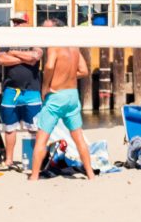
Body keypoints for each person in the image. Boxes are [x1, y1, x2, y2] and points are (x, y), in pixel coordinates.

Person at [27, 43, 95, 178]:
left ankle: (34, 176)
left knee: (41, 138)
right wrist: (65, 75)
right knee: (79, 138)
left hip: (56, 96)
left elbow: (49, 66)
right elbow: (84, 71)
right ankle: (90, 173)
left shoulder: (54, 46)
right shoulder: (75, 47)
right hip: (72, 95)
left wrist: (45, 87)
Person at [0, 32, 43, 171]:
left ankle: (35, 160)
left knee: (34, 127)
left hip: (32, 91)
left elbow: (35, 56)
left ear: (27, 25)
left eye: (20, 22)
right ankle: (9, 160)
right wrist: (25, 59)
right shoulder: (6, 39)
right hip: (10, 90)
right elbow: (2, 59)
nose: (16, 25)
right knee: (9, 128)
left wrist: (13, 53)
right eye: (14, 22)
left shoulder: (34, 37)